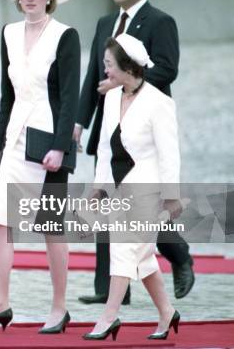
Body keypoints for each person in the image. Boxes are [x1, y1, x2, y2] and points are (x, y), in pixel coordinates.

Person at [74, 0, 194, 305]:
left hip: (143, 127)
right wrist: (80, 122)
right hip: (109, 127)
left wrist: (125, 83)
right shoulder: (104, 23)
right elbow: (92, 78)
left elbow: (167, 70)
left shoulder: (160, 22)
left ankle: (179, 256)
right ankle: (109, 289)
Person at [0, 0, 79, 334]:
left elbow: (69, 99)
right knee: (1, 222)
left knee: (51, 227)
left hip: (48, 144)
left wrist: (61, 148)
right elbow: (7, 94)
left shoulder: (66, 36)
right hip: (16, 140)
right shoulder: (9, 33)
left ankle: (59, 307)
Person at [83, 34, 181, 341]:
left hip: (148, 190)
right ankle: (167, 313)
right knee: (141, 257)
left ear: (128, 66)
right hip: (119, 188)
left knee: (124, 249)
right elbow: (103, 148)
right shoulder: (111, 97)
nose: (106, 70)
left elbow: (169, 154)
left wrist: (172, 197)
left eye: (109, 64)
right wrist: (98, 189)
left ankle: (109, 317)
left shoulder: (159, 103)